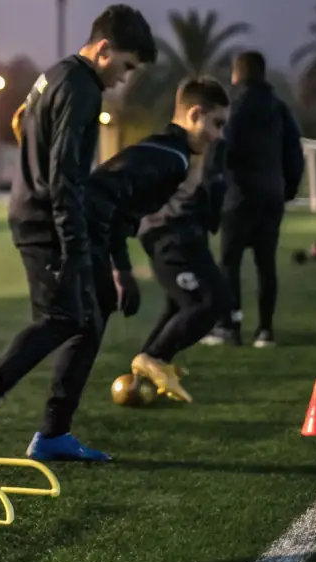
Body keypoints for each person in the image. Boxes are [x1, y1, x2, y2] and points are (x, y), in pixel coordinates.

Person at [0, 4, 157, 463]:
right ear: (104, 50)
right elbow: (63, 175)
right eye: (124, 68)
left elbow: (25, 123)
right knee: (64, 317)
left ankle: (54, 434)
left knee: (93, 309)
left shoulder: (58, 74)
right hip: (47, 221)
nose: (123, 79)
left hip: (44, 213)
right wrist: (75, 246)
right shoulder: (82, 87)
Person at [88, 77, 231, 403]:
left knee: (187, 303)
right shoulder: (168, 153)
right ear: (195, 114)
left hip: (182, 234)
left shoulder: (186, 151)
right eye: (217, 123)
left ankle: (149, 367)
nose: (219, 134)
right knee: (208, 302)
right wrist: (121, 266)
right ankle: (153, 358)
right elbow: (116, 199)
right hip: (169, 236)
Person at [204, 51, 304, 349]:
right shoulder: (279, 108)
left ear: (237, 75)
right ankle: (265, 331)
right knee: (266, 264)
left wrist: (214, 184)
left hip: (241, 195)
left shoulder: (235, 107)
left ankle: (230, 327)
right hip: (271, 195)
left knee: (229, 264)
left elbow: (222, 148)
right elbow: (294, 154)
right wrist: (287, 189)